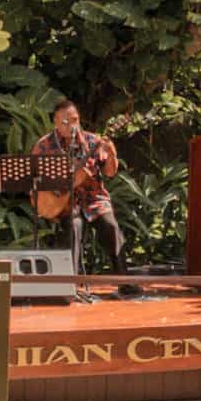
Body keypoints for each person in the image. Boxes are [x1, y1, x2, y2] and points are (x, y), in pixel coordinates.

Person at [32, 99, 134, 291]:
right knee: (73, 225)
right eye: (65, 122)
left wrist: (111, 154)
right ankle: (68, 286)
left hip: (94, 200)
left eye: (75, 119)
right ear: (55, 122)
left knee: (110, 226)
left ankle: (125, 282)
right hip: (62, 204)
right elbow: (35, 180)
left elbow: (110, 172)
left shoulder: (93, 141)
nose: (72, 125)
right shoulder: (45, 146)